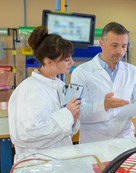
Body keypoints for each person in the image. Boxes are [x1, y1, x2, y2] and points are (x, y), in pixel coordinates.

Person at [71, 22, 136, 143]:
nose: (120, 51)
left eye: (124, 46)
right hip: (94, 143)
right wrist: (103, 105)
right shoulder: (80, 72)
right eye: (114, 45)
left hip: (125, 141)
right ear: (101, 44)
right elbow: (76, 113)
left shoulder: (132, 71)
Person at [8, 26, 81, 154]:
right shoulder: (29, 89)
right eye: (66, 59)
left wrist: (73, 119)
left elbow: (62, 129)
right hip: (39, 165)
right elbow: (30, 133)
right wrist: (67, 113)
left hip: (58, 160)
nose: (72, 62)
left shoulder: (55, 85)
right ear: (48, 61)